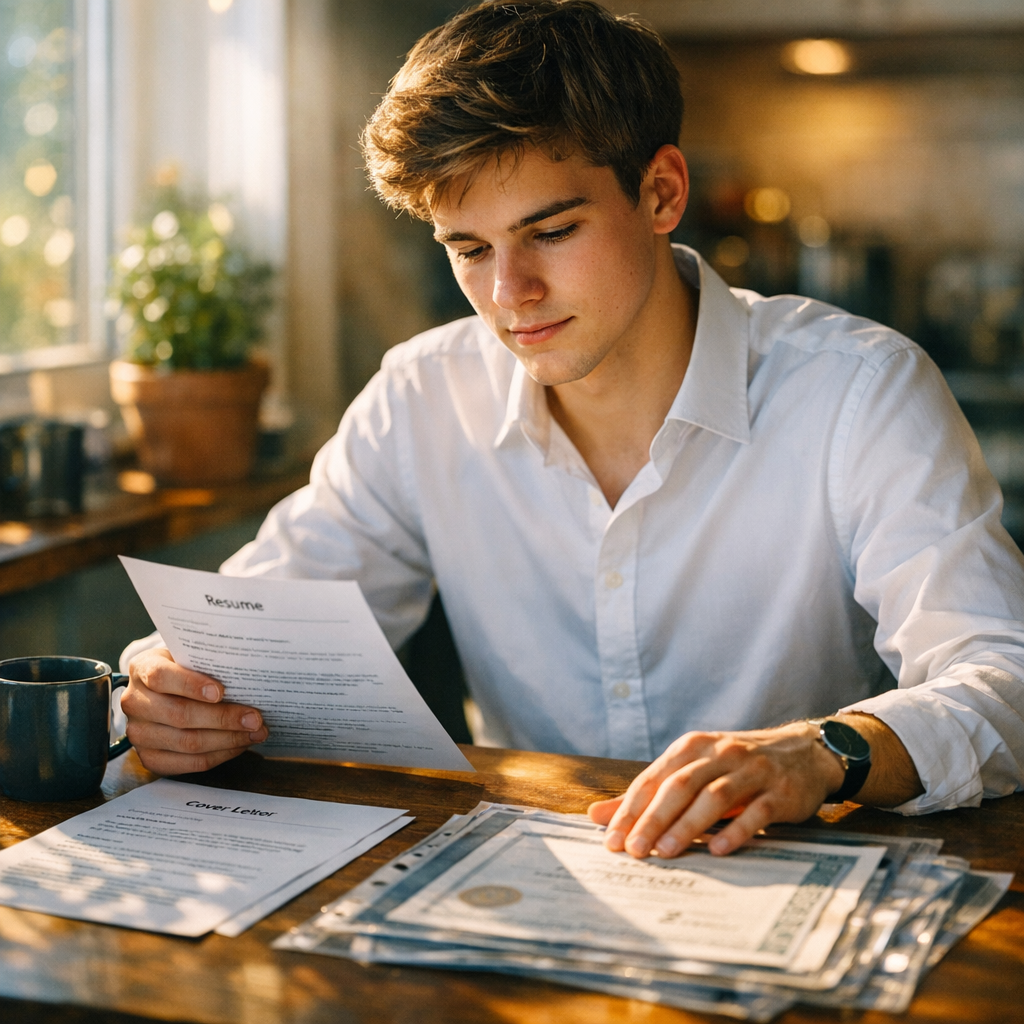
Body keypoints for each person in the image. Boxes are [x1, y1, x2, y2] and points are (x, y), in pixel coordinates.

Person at [120, 0, 1024, 861]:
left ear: (662, 191)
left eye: (550, 230)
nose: (509, 296)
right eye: (469, 250)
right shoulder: (422, 395)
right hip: (533, 887)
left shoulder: (860, 390)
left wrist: (824, 751)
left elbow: (1004, 678)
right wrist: (173, 689)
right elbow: (254, 633)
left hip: (815, 883)